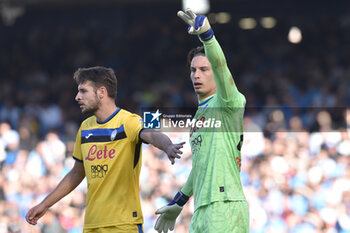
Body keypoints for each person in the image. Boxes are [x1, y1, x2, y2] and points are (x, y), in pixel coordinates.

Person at [26, 66, 185, 233]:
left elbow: (152, 135)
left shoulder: (127, 121)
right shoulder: (85, 128)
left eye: (83, 91)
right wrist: (45, 204)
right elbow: (76, 174)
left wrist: (168, 146)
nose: (77, 97)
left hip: (123, 225)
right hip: (92, 225)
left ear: (101, 92)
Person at [154, 9, 249, 233]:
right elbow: (200, 167)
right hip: (202, 209)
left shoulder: (228, 102)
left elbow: (221, 65)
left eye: (204, 69)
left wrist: (208, 36)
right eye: (193, 70)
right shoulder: (199, 117)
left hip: (225, 205)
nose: (196, 74)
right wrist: (179, 201)